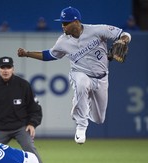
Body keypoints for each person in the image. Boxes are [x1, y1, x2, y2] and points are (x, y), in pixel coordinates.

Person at [17, 6, 131, 144]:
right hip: (79, 73)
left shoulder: (97, 30)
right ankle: (81, 125)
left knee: (99, 119)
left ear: (76, 22)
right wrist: (27, 54)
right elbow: (49, 55)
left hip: (101, 78)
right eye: (62, 23)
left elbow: (124, 34)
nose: (63, 26)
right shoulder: (63, 41)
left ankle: (80, 106)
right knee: (82, 84)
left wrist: (123, 40)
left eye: (66, 23)